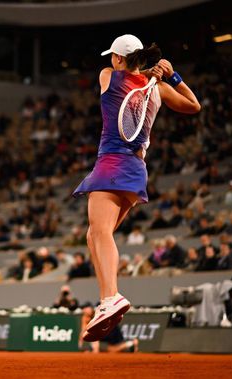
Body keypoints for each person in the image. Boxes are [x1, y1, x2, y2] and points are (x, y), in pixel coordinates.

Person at [72, 34, 200, 341]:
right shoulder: (160, 89)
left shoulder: (108, 76)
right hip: (136, 171)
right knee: (96, 235)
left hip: (113, 162)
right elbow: (193, 106)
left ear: (118, 59)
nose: (109, 62)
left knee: (99, 232)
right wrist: (171, 75)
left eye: (112, 57)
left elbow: (126, 79)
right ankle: (107, 300)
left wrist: (150, 75)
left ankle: (111, 297)